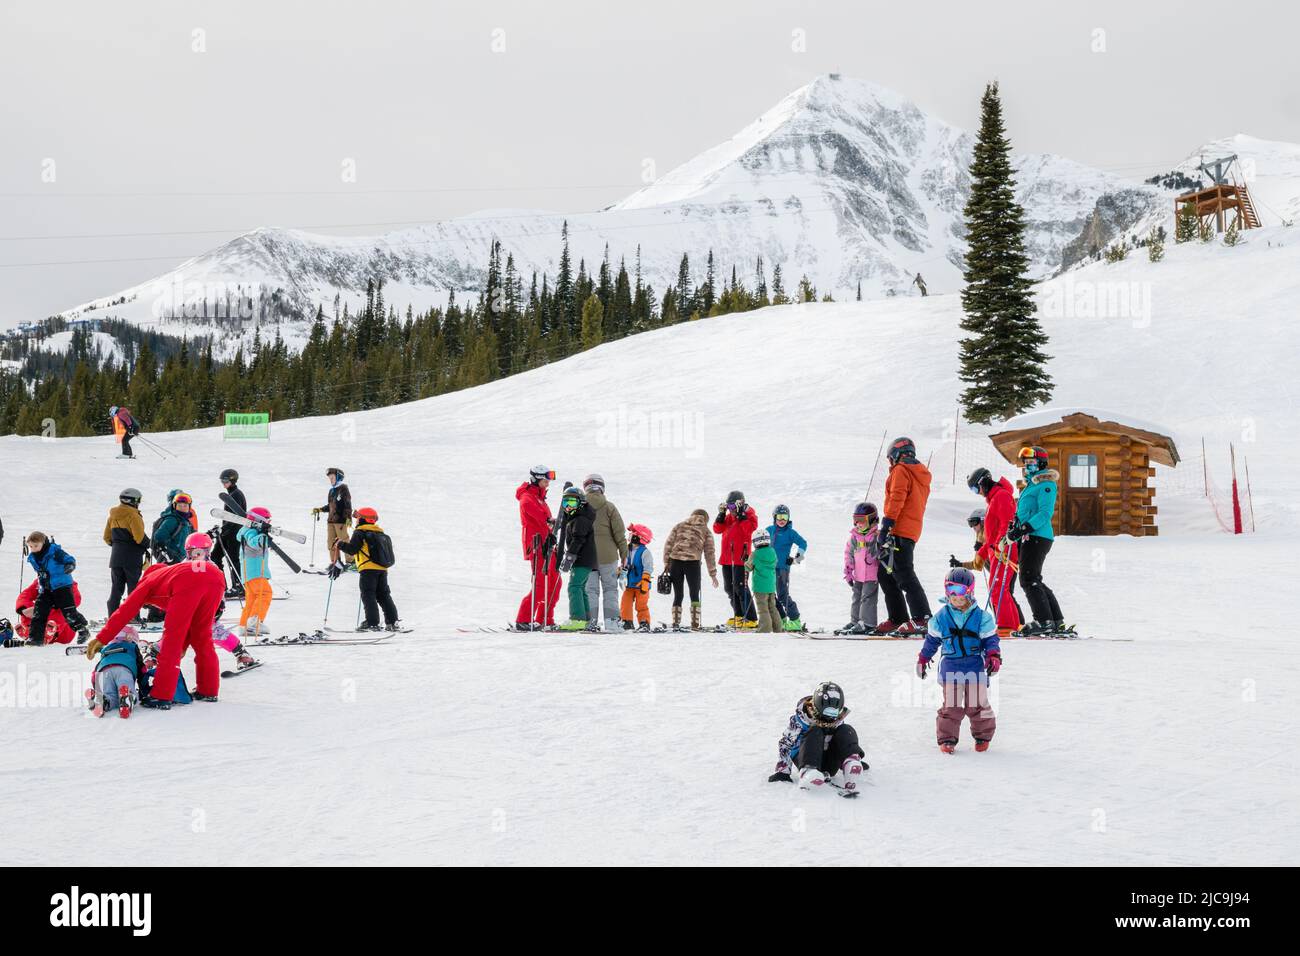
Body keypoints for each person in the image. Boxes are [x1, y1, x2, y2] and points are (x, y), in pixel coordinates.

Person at [93, 532, 226, 709]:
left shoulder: (148, 582)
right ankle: (208, 690)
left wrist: (102, 638)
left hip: (190, 582)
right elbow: (188, 622)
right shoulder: (171, 573)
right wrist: (183, 646)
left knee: (172, 640)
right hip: (216, 577)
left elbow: (125, 611)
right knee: (203, 638)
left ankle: (162, 695)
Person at [916, 567, 1001, 753]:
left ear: (970, 591)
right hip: (951, 667)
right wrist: (923, 658)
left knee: (977, 704)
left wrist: (993, 655)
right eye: (950, 590)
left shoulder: (982, 617)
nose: (955, 596)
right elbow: (931, 641)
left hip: (975, 666)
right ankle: (947, 739)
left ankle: (983, 736)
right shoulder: (941, 618)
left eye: (960, 590)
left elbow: (990, 640)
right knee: (952, 705)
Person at [875, 436, 932, 635]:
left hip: (899, 529)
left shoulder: (901, 470)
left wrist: (886, 526)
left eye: (891, 459)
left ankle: (922, 617)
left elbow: (897, 497)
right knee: (886, 573)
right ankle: (898, 617)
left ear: (896, 455)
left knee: (904, 573)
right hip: (909, 530)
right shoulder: (919, 474)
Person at [767, 681, 868, 792]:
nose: (830, 718)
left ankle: (850, 763)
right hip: (805, 757)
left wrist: (848, 756)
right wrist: (783, 771)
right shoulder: (801, 721)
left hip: (829, 763)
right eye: (828, 712)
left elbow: (842, 741)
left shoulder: (837, 719)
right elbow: (786, 743)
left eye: (834, 713)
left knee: (846, 729)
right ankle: (809, 771)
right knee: (815, 731)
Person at [1008, 446, 1064, 636]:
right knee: (1034, 578)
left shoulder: (1046, 484)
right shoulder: (1031, 485)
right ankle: (1055, 620)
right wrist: (1016, 526)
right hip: (1030, 536)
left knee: (1028, 578)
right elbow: (1025, 511)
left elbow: (1044, 513)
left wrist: (1024, 528)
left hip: (1038, 536)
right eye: (1025, 463)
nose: (1027, 466)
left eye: (1031, 462)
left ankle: (1043, 621)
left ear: (1041, 463)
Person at [966, 467, 1024, 634]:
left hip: (1005, 551)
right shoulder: (993, 499)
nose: (977, 493)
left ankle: (1006, 626)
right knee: (1000, 589)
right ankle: (1014, 625)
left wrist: (1001, 545)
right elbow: (990, 538)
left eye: (975, 488)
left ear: (983, 482)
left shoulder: (1001, 496)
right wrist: (982, 553)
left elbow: (1008, 523)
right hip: (998, 551)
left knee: (998, 589)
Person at [332, 506, 401, 631]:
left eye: (358, 517)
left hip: (367, 569)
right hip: (382, 569)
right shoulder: (379, 532)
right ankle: (392, 622)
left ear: (364, 519)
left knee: (368, 595)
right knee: (384, 595)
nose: (356, 520)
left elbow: (352, 549)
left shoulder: (360, 532)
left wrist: (340, 544)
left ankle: (372, 622)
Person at [23, 531, 91, 645]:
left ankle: (82, 630)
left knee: (68, 612)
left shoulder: (54, 551)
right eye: (31, 546)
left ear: (43, 543)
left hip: (62, 586)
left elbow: (68, 558)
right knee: (39, 611)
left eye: (36, 546)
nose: (33, 549)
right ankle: (35, 638)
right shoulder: (34, 557)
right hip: (46, 589)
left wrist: (70, 565)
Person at [581, 474, 629, 633]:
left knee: (590, 591)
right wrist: (624, 556)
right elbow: (620, 534)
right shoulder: (609, 507)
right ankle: (612, 623)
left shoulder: (580, 507)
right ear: (602, 487)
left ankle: (591, 622)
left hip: (587, 557)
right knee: (610, 589)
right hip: (608, 557)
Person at [515, 466, 561, 631]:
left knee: (555, 582)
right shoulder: (527, 499)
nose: (548, 483)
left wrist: (552, 528)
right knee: (541, 585)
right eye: (545, 480)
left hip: (548, 545)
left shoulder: (541, 498)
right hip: (537, 547)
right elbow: (543, 520)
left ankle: (544, 619)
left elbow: (547, 522)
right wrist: (552, 523)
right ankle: (523, 619)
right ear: (536, 479)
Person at [662, 509, 719, 631]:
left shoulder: (679, 526)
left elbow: (668, 544)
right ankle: (695, 623)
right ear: (705, 519)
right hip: (693, 564)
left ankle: (676, 622)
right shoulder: (706, 531)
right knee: (694, 594)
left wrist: (667, 563)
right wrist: (712, 574)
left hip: (675, 562)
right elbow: (710, 553)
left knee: (678, 594)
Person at [556, 484, 598, 632]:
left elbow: (578, 539)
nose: (568, 506)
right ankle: (586, 619)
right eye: (565, 503)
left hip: (582, 559)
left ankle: (577, 619)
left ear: (581, 502)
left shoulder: (580, 519)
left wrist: (569, 556)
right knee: (580, 588)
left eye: (572, 502)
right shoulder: (580, 517)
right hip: (587, 559)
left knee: (574, 587)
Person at [83, 625, 149, 718]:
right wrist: (144, 691)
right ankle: (128, 698)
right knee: (128, 690)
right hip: (124, 669)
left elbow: (95, 673)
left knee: (110, 696)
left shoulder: (106, 649)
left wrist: (96, 687)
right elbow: (142, 669)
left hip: (102, 670)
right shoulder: (132, 647)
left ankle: (102, 701)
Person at [714, 490, 758, 628]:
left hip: (741, 559)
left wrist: (741, 516)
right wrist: (721, 515)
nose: (731, 510)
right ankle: (738, 615)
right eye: (729, 507)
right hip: (727, 559)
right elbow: (717, 529)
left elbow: (750, 530)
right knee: (729, 588)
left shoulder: (750, 515)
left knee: (741, 587)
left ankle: (750, 618)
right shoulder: (728, 518)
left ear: (741, 504)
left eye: (733, 507)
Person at [103, 487, 150, 617]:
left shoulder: (112, 515)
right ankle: (133, 616)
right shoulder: (133, 515)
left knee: (116, 589)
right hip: (132, 557)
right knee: (133, 589)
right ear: (134, 501)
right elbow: (139, 537)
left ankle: (112, 616)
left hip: (116, 557)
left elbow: (107, 538)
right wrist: (149, 544)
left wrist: (118, 546)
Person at [766, 504, 808, 632]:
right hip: (768, 568)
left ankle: (795, 621)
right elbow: (760, 542)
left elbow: (803, 543)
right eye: (780, 516)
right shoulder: (769, 530)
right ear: (775, 517)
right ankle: (781, 620)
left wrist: (796, 559)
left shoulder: (790, 533)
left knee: (783, 595)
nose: (782, 520)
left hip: (783, 568)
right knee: (770, 595)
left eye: (785, 517)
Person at [842, 502, 880, 634]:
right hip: (858, 575)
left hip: (871, 574)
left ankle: (867, 623)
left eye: (862, 520)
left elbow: (881, 553)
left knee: (867, 598)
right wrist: (848, 571)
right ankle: (855, 621)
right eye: (856, 520)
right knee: (856, 597)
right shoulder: (854, 537)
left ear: (871, 520)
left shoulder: (876, 536)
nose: (858, 523)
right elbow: (849, 554)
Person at [238, 506, 275, 638]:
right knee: (265, 593)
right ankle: (254, 622)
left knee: (252, 599)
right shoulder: (250, 532)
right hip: (255, 572)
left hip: (250, 573)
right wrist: (263, 535)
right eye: (267, 521)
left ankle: (244, 625)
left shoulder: (248, 531)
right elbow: (255, 543)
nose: (268, 523)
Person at [15, 577, 83, 644]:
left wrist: (50, 606)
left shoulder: (67, 581)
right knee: (29, 608)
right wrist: (23, 610)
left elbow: (75, 599)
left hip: (63, 633)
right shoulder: (40, 582)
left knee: (63, 610)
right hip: (42, 622)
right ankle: (30, 631)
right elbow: (25, 595)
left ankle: (47, 633)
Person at [214, 468, 247, 597]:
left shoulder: (236, 495)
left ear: (233, 480)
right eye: (222, 481)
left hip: (233, 533)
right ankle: (223, 586)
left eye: (226, 481)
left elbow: (235, 517)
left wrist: (224, 530)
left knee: (233, 559)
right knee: (215, 556)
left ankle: (239, 586)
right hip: (227, 532)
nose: (223, 483)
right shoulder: (232, 494)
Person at [618, 523, 654, 632]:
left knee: (641, 605)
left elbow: (648, 568)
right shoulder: (627, 550)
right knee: (625, 603)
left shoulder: (645, 552)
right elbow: (625, 564)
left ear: (640, 538)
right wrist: (620, 571)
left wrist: (645, 581)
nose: (630, 536)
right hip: (629, 583)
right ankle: (627, 622)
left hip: (641, 585)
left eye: (633, 534)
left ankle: (644, 623)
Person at [314, 467, 353, 564]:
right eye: (329, 478)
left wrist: (348, 518)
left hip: (341, 520)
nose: (330, 480)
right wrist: (320, 509)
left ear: (339, 477)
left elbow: (347, 504)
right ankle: (335, 563)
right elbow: (331, 506)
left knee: (343, 541)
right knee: (331, 543)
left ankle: (351, 562)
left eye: (332, 477)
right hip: (331, 521)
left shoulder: (343, 488)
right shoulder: (331, 491)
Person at [745, 529, 781, 633]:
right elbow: (775, 563)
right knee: (772, 607)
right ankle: (777, 628)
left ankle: (765, 629)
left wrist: (746, 561)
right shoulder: (772, 552)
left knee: (763, 609)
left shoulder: (755, 554)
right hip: (771, 586)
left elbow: (748, 567)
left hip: (760, 587)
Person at [151, 491, 195, 564]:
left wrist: (210, 535)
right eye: (180, 506)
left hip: (180, 558)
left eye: (185, 506)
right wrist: (167, 553)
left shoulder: (186, 522)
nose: (182, 508)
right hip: (169, 559)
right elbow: (159, 536)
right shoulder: (172, 519)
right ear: (174, 506)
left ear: (189, 507)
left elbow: (193, 537)